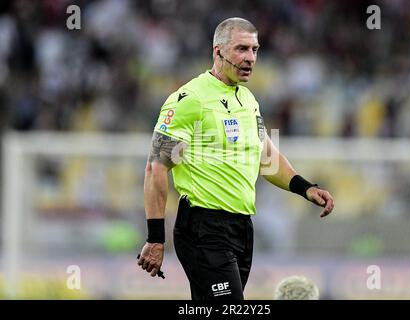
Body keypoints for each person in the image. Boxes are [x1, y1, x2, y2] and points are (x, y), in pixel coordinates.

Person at [137, 17, 334, 300]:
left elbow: (266, 157)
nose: (250, 58)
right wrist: (155, 238)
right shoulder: (191, 99)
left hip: (241, 228)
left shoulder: (248, 100)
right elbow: (156, 167)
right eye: (241, 49)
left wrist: (306, 188)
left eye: (255, 50)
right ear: (218, 51)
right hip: (204, 229)